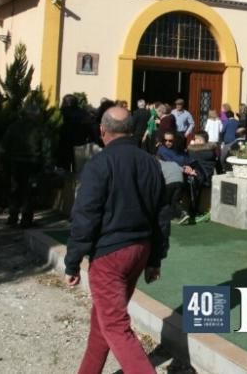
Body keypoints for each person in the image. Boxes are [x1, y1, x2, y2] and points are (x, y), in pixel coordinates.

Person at [64, 107, 170, 374]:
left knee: (115, 325)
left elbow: (85, 217)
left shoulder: (99, 164)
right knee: (103, 321)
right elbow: (162, 216)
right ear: (131, 131)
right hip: (140, 251)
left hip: (109, 255)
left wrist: (73, 261)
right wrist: (155, 258)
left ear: (102, 130)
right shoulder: (150, 162)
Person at [0, 103, 51, 228]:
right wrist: (48, 166)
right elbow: (47, 149)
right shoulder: (40, 128)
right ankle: (26, 220)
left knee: (15, 191)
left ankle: (13, 217)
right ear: (34, 115)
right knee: (29, 193)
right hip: (32, 165)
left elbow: (4, 145)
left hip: (15, 163)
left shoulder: (13, 126)